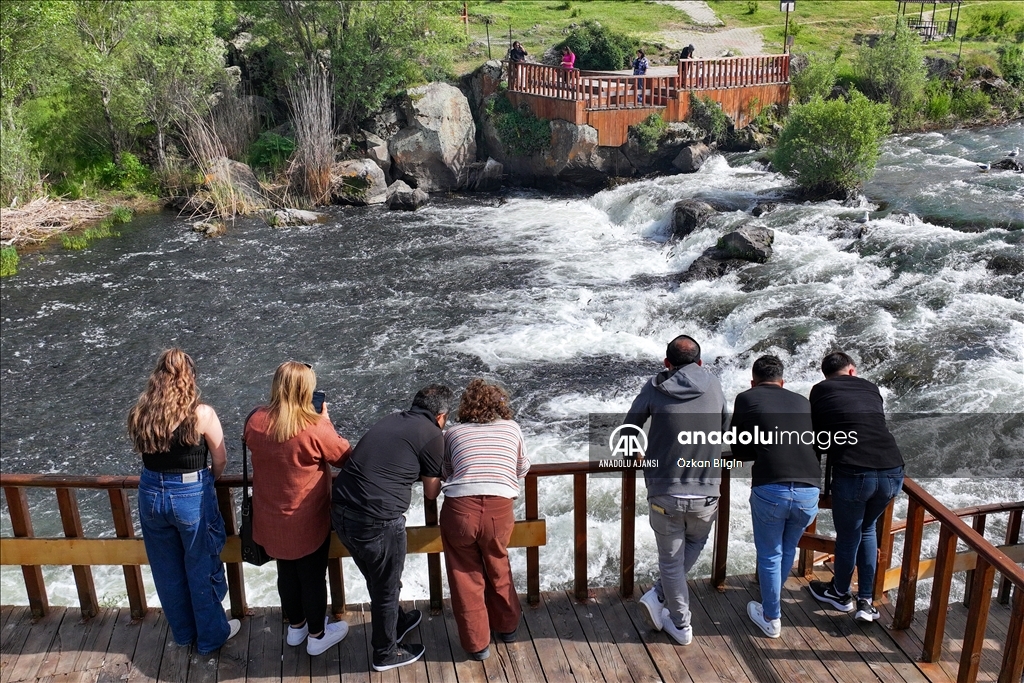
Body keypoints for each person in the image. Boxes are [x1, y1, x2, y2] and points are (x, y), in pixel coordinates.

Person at [331, 384, 453, 672]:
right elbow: (431, 492)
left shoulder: (391, 418)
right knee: (385, 586)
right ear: (441, 416)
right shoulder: (433, 435)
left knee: (378, 578)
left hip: (341, 511)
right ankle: (385, 653)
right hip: (378, 520)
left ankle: (395, 621)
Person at [127, 348, 240, 654]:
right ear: (189, 376)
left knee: (167, 569)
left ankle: (183, 634)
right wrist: (207, 481)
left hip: (150, 492)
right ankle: (212, 636)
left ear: (157, 376)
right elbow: (220, 459)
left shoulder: (142, 411)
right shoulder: (201, 414)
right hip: (190, 493)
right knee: (200, 565)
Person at [624, 335, 728, 646]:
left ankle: (681, 624)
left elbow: (628, 431)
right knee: (697, 539)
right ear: (700, 362)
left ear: (667, 363)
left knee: (670, 563)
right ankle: (659, 598)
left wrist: (638, 457)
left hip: (665, 491)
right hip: (707, 492)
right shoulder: (715, 384)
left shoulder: (655, 387)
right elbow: (724, 428)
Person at [245, 362, 352, 656]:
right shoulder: (314, 426)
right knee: (313, 576)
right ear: (306, 390)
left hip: (269, 517)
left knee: (286, 573)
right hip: (306, 518)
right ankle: (317, 635)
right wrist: (325, 419)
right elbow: (345, 457)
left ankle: (297, 627)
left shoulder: (255, 420)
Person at [808, 351, 904, 623]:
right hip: (891, 467)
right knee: (868, 528)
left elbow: (819, 435)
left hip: (853, 469)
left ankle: (840, 593)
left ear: (826, 374)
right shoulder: (871, 387)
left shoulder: (820, 390)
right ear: (852, 370)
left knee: (849, 535)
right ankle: (866, 601)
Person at [730, 355, 821, 639]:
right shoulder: (802, 401)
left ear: (753, 381)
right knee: (787, 548)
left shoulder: (746, 398)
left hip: (772, 487)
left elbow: (738, 449)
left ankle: (771, 617)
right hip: (809, 489)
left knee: (770, 554)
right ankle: (772, 602)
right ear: (783, 382)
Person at [440, 379, 531, 661]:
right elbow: (523, 468)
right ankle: (508, 627)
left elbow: (446, 471)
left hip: (459, 509)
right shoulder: (512, 428)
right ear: (500, 403)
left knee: (465, 577)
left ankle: (477, 645)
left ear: (466, 406)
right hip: (498, 508)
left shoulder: (452, 432)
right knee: (498, 565)